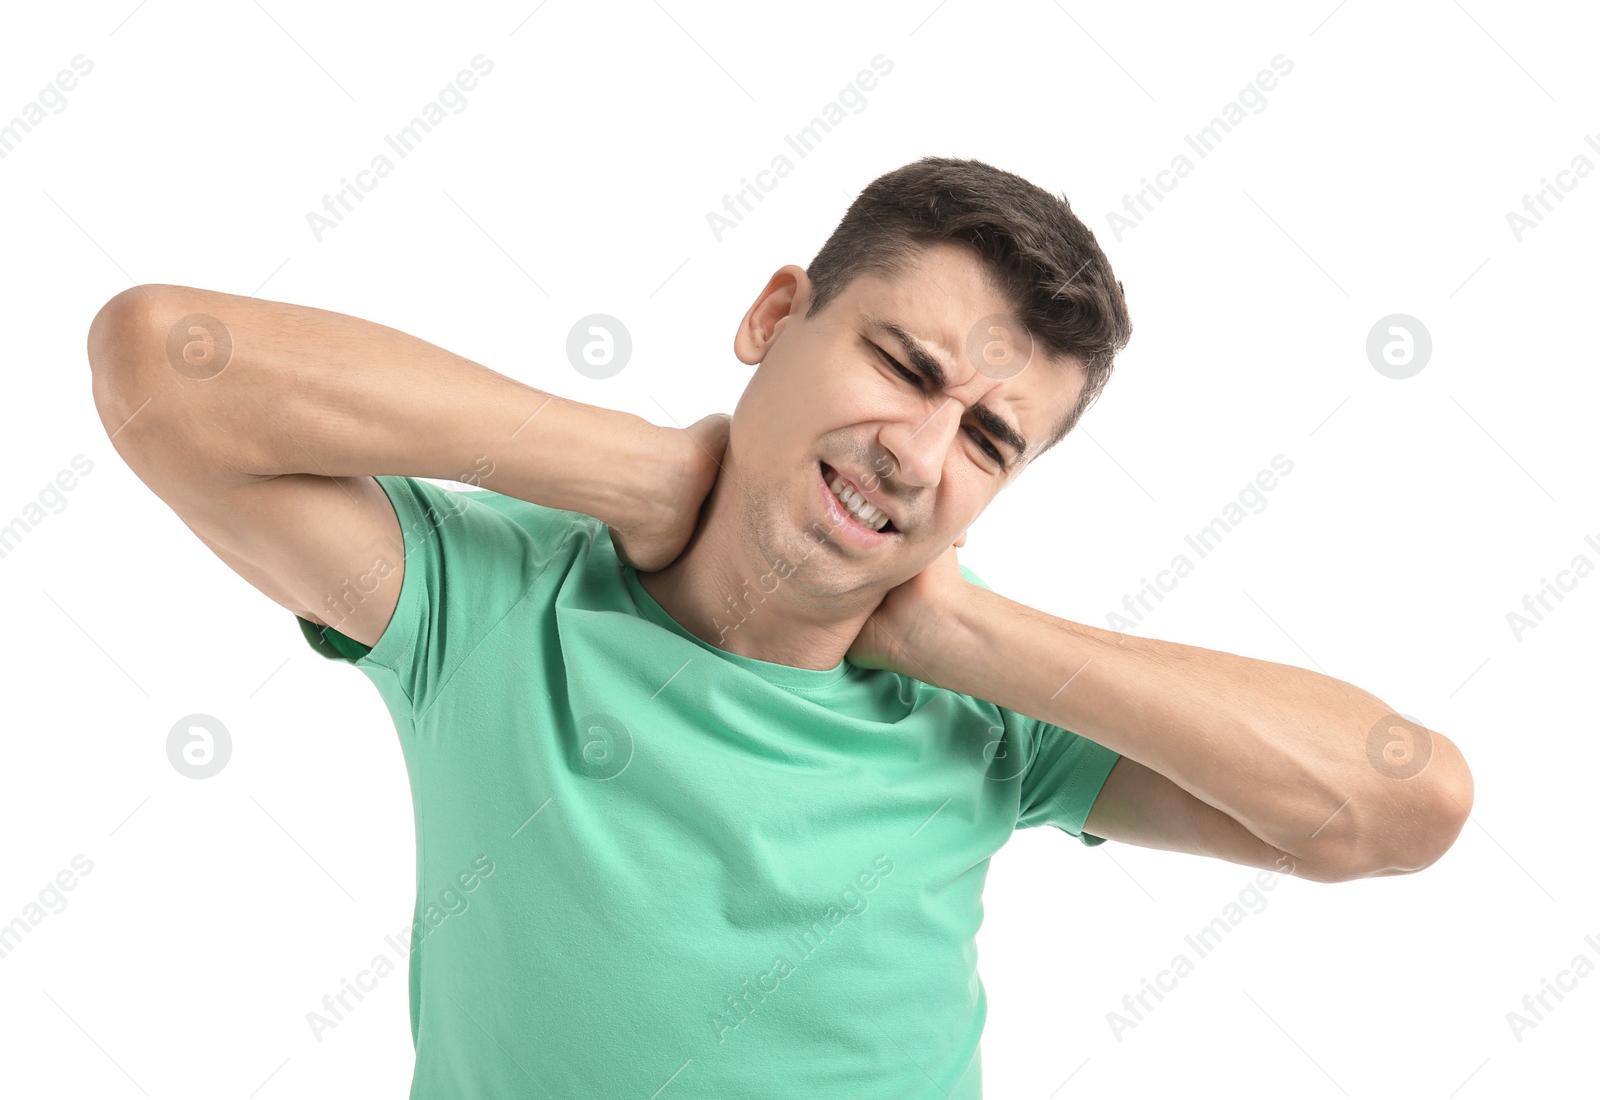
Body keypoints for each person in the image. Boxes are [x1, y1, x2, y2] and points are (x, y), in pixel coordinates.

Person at [86, 156, 1473, 1098]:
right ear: (773, 315)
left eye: (986, 438)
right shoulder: (492, 604)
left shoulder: (993, 712)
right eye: (903, 365)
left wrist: (960, 644)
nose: (920, 453)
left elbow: (1399, 806)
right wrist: (634, 468)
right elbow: (162, 363)